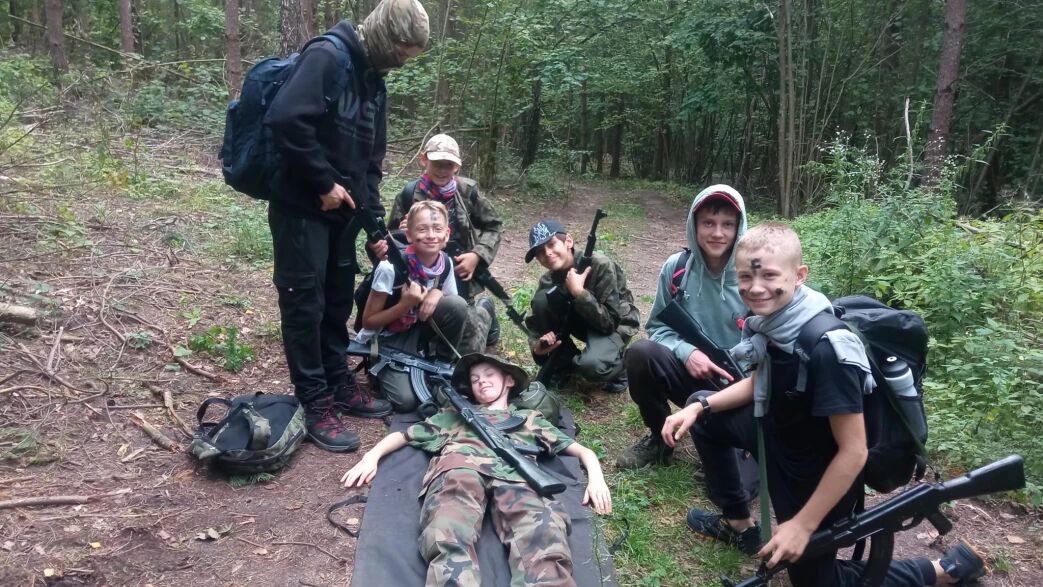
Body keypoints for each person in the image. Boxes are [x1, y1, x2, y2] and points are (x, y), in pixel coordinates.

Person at [661, 223, 986, 586]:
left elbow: (854, 452)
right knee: (702, 408)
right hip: (779, 434)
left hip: (817, 471)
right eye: (746, 277)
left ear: (799, 275)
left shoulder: (827, 348)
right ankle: (739, 524)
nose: (755, 288)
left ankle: (945, 570)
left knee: (816, 581)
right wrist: (699, 408)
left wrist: (802, 525)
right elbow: (761, 382)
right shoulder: (774, 323)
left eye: (769, 275)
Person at [263, 0, 429, 452]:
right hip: (301, 207)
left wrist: (375, 226)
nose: (402, 61)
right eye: (401, 51)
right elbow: (285, 119)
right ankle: (314, 400)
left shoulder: (374, 81)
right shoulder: (327, 56)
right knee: (305, 303)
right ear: (385, 35)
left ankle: (338, 381)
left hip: (344, 215)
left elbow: (370, 162)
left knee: (336, 300)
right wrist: (322, 182)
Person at [341, 352, 612, 586]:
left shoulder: (528, 418)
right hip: (460, 471)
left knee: (544, 540)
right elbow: (404, 435)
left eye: (489, 374)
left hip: (519, 478)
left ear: (509, 380)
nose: (481, 381)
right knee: (447, 535)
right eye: (474, 379)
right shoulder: (455, 416)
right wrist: (371, 457)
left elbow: (581, 451)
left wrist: (596, 479)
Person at [615, 185, 748, 469]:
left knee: (732, 484)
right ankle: (660, 436)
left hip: (743, 387)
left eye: (727, 224)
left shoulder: (753, 276)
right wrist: (688, 353)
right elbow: (658, 327)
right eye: (708, 223)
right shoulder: (677, 269)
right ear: (694, 225)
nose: (717, 233)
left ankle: (734, 443)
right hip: (694, 376)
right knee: (640, 354)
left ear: (739, 228)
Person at [388, 134, 503, 354]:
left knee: (468, 352)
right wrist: (403, 233)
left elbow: (494, 226)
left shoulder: (468, 193)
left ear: (457, 166)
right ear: (424, 160)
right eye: (437, 163)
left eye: (448, 165)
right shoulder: (409, 194)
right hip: (418, 274)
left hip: (459, 272)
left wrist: (477, 255)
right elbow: (391, 239)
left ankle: (484, 312)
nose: (442, 170)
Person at [356, 201, 470, 413]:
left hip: (420, 332)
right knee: (406, 402)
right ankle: (379, 372)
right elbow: (368, 321)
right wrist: (405, 304)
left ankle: (440, 363)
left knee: (457, 304)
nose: (431, 235)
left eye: (437, 229)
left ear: (446, 234)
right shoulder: (389, 267)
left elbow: (453, 306)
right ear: (409, 235)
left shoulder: (445, 263)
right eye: (422, 229)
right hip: (388, 339)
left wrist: (437, 292)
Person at [523, 219, 640, 393]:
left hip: (615, 324)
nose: (547, 253)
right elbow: (535, 323)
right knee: (542, 301)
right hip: (583, 319)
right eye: (540, 251)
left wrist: (579, 293)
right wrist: (537, 346)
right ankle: (565, 364)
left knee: (592, 366)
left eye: (552, 244)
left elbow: (609, 323)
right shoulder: (548, 280)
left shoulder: (600, 265)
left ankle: (622, 365)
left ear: (568, 241)